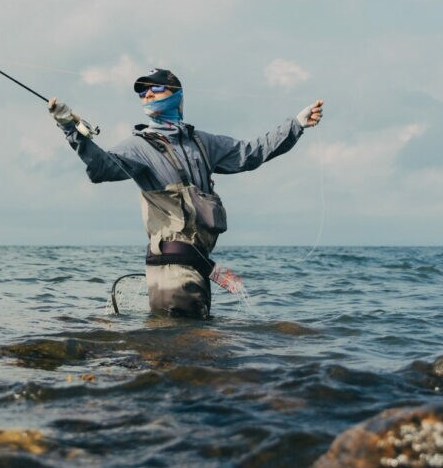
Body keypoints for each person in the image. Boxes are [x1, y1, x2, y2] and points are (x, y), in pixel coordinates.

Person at [49, 68, 323, 319]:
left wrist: (296, 124)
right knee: (184, 353)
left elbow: (251, 153)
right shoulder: (138, 146)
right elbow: (101, 168)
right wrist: (70, 129)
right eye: (142, 91)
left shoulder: (202, 142)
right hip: (170, 272)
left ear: (176, 94)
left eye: (154, 88)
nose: (147, 94)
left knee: (190, 357)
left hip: (199, 266)